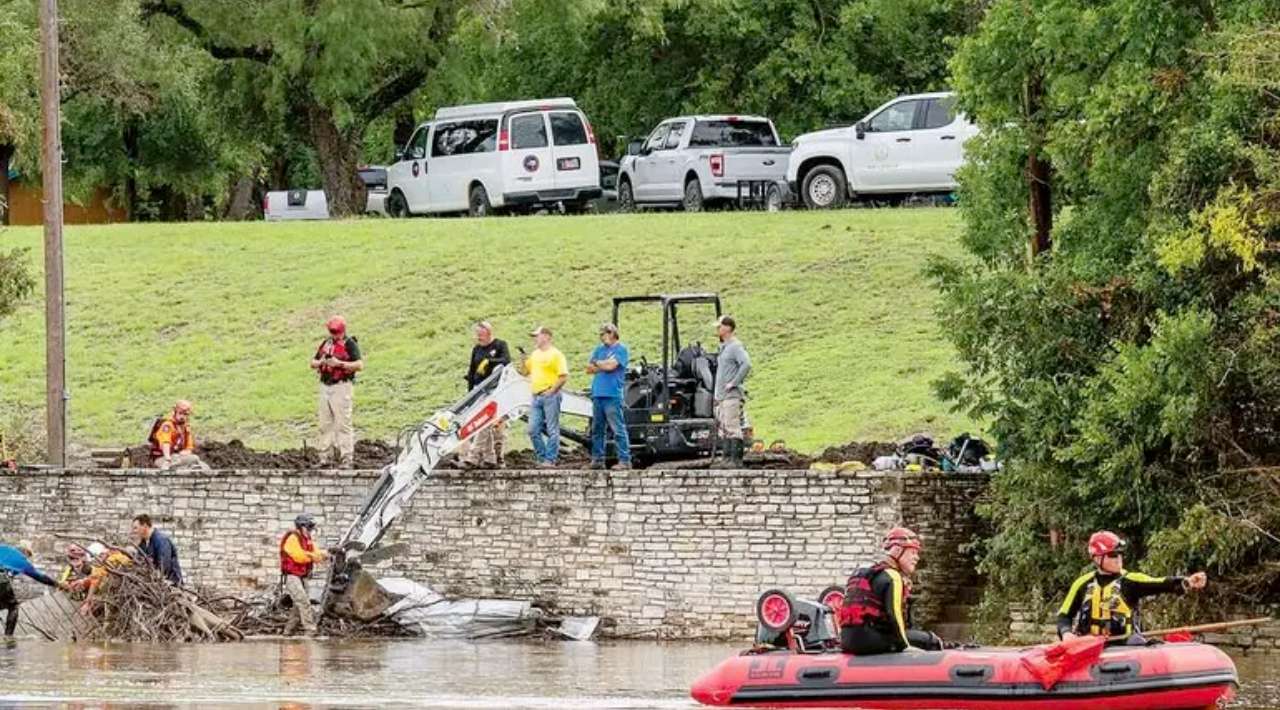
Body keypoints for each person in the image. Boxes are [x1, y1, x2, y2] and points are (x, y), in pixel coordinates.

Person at [1057, 531, 1208, 643]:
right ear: (1097, 558)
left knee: (1138, 642)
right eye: (1113, 555)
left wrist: (1187, 581)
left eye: (1120, 554)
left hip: (1124, 645)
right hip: (1089, 647)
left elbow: (1160, 583)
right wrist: (1066, 634)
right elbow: (1064, 615)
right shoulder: (1082, 584)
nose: (1119, 559)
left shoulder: (1130, 581)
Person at [838, 527, 943, 655]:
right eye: (913, 553)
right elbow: (894, 616)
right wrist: (904, 646)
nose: (917, 558)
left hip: (847, 641)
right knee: (930, 640)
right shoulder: (893, 576)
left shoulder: (870, 573)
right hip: (870, 640)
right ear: (898, 551)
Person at [310, 315, 364, 468]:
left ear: (342, 331)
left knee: (342, 423)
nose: (333, 335)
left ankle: (346, 458)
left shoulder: (350, 344)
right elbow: (312, 362)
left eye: (336, 332)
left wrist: (339, 364)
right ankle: (324, 458)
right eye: (331, 332)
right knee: (324, 423)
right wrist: (322, 362)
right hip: (325, 385)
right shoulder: (326, 344)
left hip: (341, 386)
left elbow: (359, 365)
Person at [460, 321, 512, 469]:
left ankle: (474, 456)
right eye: (477, 335)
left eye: (481, 335)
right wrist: (469, 395)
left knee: (485, 422)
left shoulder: (500, 345)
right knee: (482, 423)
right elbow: (471, 371)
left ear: (489, 333)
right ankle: (490, 457)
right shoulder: (476, 349)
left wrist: (489, 361)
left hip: (495, 391)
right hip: (479, 390)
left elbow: (507, 361)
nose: (478, 338)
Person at [586, 323, 631, 470]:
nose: (601, 337)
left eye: (603, 334)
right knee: (597, 429)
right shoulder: (599, 349)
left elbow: (611, 366)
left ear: (612, 333)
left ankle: (624, 460)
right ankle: (597, 459)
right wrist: (602, 365)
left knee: (617, 428)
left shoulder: (621, 349)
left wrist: (599, 363)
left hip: (612, 395)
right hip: (598, 394)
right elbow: (589, 369)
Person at [522, 326, 568, 468]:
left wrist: (553, 390)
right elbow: (525, 371)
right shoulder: (535, 355)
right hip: (536, 396)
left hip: (550, 395)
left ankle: (550, 459)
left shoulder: (556, 355)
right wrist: (523, 360)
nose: (535, 338)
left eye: (538, 335)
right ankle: (542, 458)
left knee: (552, 428)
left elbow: (563, 376)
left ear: (547, 336)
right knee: (532, 429)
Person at [0, 541, 67, 636]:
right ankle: (8, 636)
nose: (28, 558)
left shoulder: (3, 548)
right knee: (13, 607)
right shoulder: (23, 561)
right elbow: (40, 577)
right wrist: (58, 584)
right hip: (1, 579)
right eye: (28, 556)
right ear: (26, 552)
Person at [711, 315, 751, 469]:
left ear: (727, 328)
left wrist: (734, 382)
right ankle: (726, 459)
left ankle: (735, 460)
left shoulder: (735, 346)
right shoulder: (724, 348)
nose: (717, 329)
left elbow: (746, 364)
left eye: (719, 327)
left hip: (731, 396)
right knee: (725, 427)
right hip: (722, 396)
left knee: (732, 427)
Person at [280, 514, 328, 636]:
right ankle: (311, 630)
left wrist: (325, 554)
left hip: (302, 576)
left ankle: (288, 632)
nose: (310, 530)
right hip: (292, 576)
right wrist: (313, 556)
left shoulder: (308, 540)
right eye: (309, 527)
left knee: (298, 605)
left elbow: (316, 553)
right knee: (304, 602)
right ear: (301, 527)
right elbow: (299, 557)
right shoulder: (292, 538)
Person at [148, 400, 210, 470]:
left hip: (178, 457)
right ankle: (185, 467)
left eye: (185, 414)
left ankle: (188, 467)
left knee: (204, 465)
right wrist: (168, 459)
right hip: (162, 458)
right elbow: (165, 443)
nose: (182, 416)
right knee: (193, 459)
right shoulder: (168, 425)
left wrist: (186, 452)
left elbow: (189, 447)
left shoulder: (186, 427)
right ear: (175, 412)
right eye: (180, 413)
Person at [132, 514, 183, 585]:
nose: (134, 531)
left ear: (145, 526)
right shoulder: (143, 544)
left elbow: (164, 566)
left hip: (171, 583)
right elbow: (140, 563)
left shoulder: (161, 540)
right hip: (152, 584)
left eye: (135, 528)